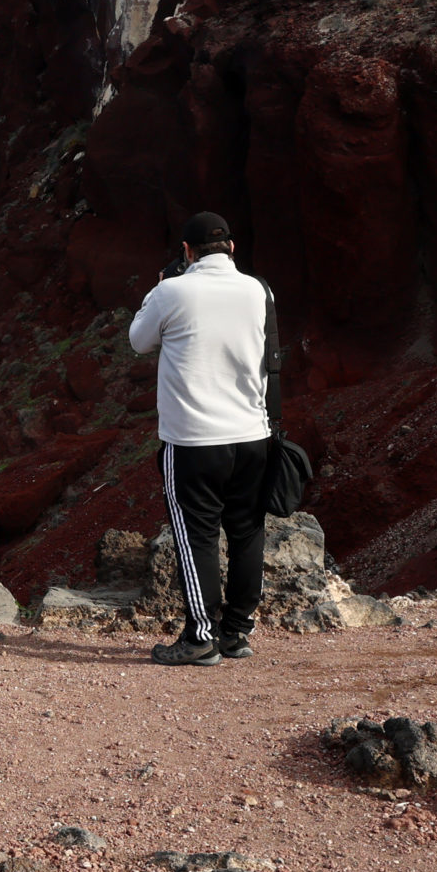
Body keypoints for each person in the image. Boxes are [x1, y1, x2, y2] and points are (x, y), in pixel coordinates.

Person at [125, 211, 272, 667]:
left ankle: (200, 637)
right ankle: (236, 633)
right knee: (247, 533)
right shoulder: (258, 289)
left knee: (198, 537)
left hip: (193, 441)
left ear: (186, 252)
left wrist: (159, 286)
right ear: (231, 248)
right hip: (253, 435)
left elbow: (138, 340)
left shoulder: (172, 291)